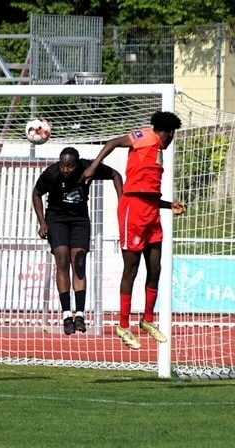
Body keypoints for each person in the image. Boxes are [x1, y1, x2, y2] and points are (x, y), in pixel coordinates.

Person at [81, 111, 185, 349]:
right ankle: (123, 326)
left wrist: (168, 205)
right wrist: (94, 167)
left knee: (155, 267)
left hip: (151, 210)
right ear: (169, 133)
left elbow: (148, 191)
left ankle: (147, 320)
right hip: (133, 210)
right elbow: (113, 142)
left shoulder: (157, 150)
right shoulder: (145, 136)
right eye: (173, 136)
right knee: (132, 269)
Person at [32, 147, 123, 335]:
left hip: (79, 220)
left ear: (77, 163)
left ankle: (80, 315)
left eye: (70, 166)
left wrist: (122, 201)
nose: (65, 170)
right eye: (63, 166)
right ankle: (67, 315)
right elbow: (36, 194)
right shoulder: (51, 173)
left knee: (79, 262)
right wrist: (42, 222)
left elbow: (116, 174)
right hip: (56, 219)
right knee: (62, 260)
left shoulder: (88, 168)